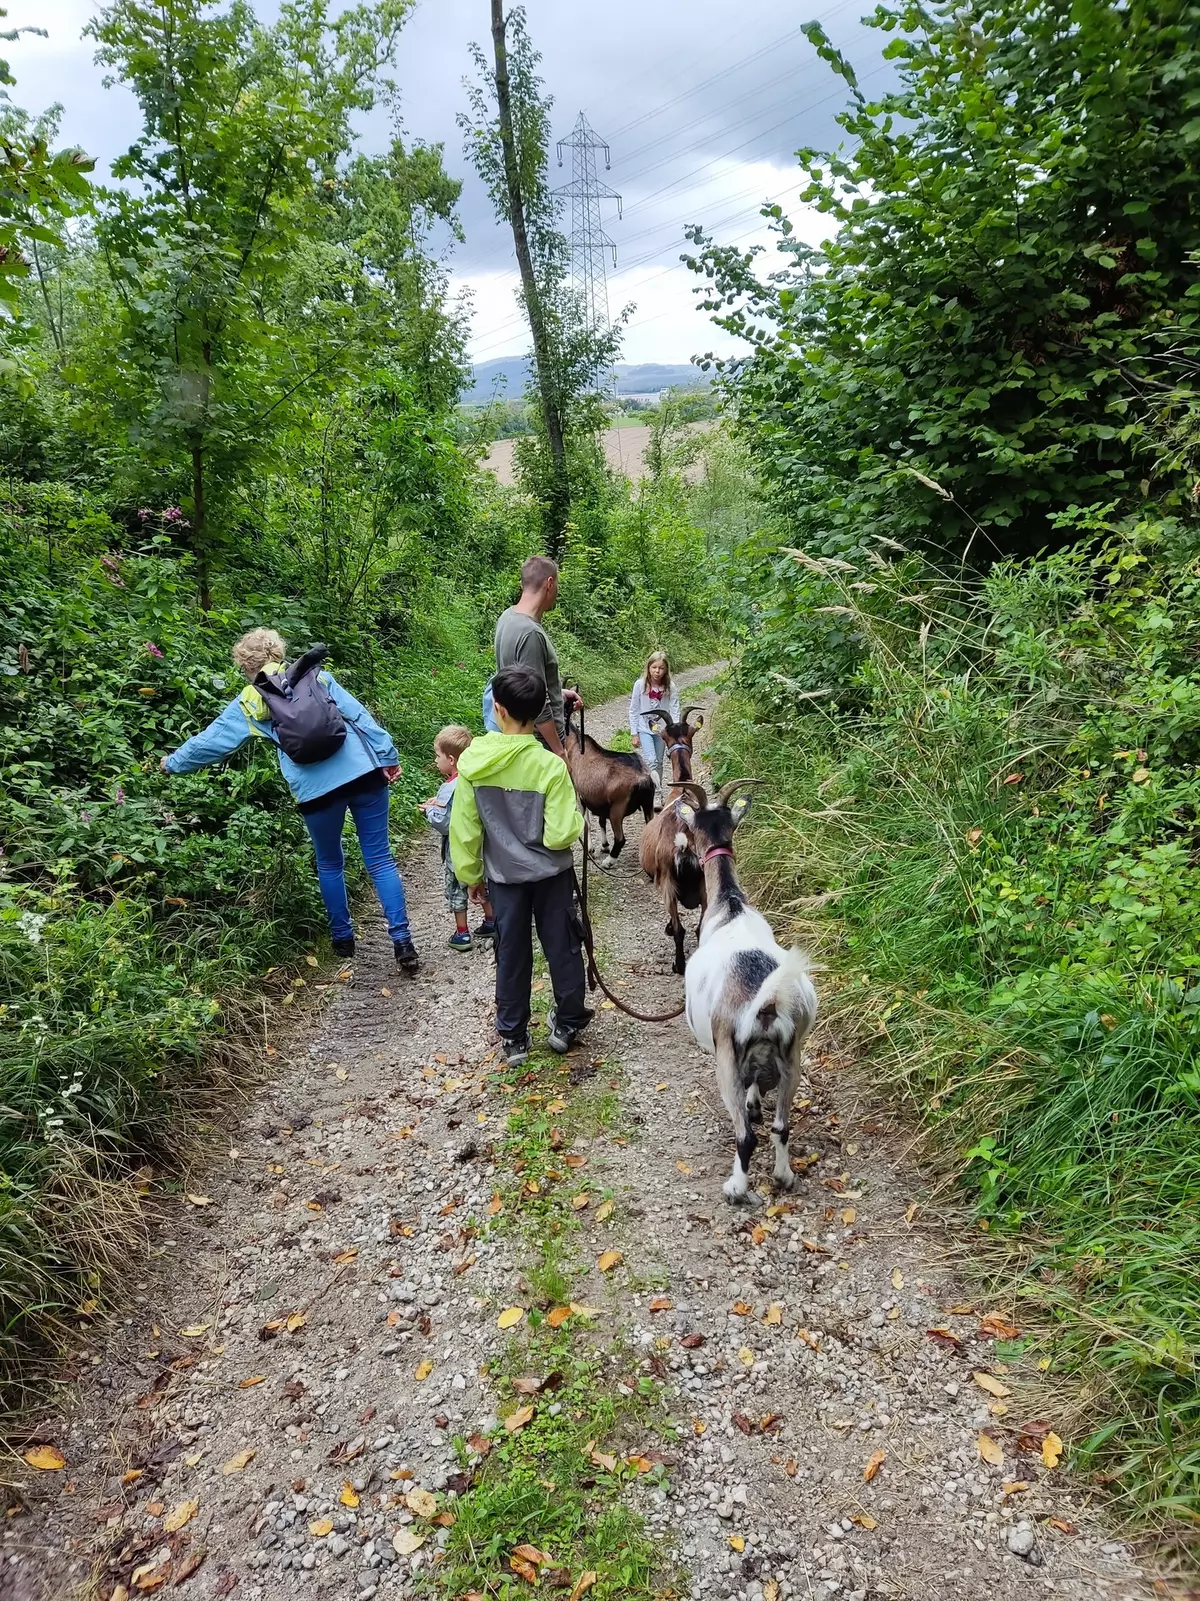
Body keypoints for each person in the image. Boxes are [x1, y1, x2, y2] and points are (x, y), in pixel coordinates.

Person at [160, 627, 419, 974]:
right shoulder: (317, 676)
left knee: (329, 863)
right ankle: (402, 941)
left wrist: (171, 764)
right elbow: (360, 717)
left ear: (245, 665)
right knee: (380, 859)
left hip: (315, 790)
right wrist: (387, 755)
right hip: (363, 773)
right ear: (279, 653)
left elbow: (211, 742)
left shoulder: (250, 703)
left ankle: (342, 939)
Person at [450, 664, 592, 1068]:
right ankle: (567, 1022)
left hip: (505, 880)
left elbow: (465, 830)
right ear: (539, 713)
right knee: (563, 946)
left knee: (511, 951)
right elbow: (562, 832)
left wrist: (471, 876)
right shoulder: (549, 767)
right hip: (552, 877)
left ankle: (513, 1036)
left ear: (498, 709)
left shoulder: (473, 766)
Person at [488, 555, 582, 756]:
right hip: (537, 742)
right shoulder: (530, 633)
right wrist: (558, 750)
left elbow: (518, 683)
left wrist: (559, 693)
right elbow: (537, 702)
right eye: (557, 584)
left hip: (516, 734)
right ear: (549, 583)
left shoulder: (508, 617)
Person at [419, 724, 496, 952]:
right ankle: (491, 921)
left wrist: (429, 811)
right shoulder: (474, 778)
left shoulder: (449, 787)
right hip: (479, 847)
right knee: (482, 884)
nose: (436, 760)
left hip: (457, 850)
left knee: (456, 889)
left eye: (438, 756)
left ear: (451, 759)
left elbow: (444, 823)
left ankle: (462, 933)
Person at [629, 650, 681, 800]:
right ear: (649, 667)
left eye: (661, 668)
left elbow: (674, 708)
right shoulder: (640, 685)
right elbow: (634, 709)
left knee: (658, 761)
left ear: (666, 670)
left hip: (662, 730)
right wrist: (634, 733)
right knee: (650, 760)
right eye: (654, 667)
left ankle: (657, 790)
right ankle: (655, 794)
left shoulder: (670, 686)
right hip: (644, 728)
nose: (657, 671)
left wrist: (674, 731)